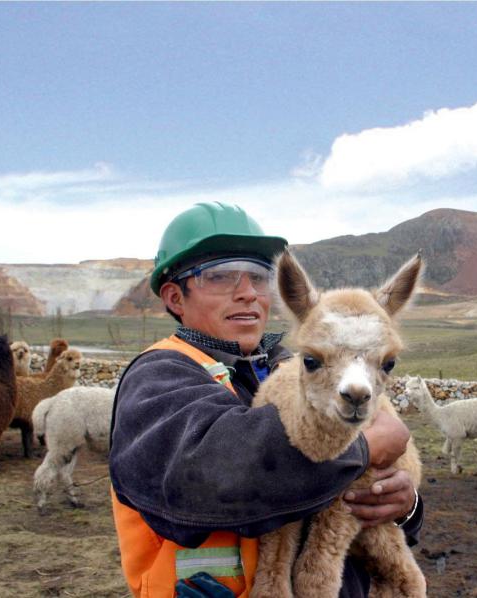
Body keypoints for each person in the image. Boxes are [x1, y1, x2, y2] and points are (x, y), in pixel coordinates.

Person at [109, 201, 423, 598]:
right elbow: (212, 476)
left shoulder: (303, 368)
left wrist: (403, 504)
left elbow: (374, 488)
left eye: (259, 277)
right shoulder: (158, 378)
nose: (247, 293)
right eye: (220, 277)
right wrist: (363, 448)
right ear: (174, 297)